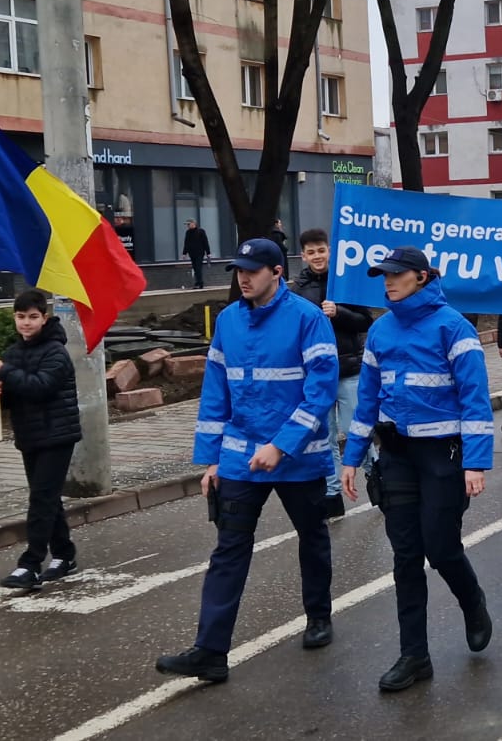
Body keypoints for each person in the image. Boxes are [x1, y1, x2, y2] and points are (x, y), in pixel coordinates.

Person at [156, 238, 339, 684]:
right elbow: (215, 392)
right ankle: (210, 651)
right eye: (239, 270)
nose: (243, 277)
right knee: (228, 550)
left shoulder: (308, 318)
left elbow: (321, 391)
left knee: (312, 537)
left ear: (277, 272)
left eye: (252, 270)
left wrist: (281, 445)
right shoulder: (228, 321)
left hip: (297, 459)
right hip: (240, 458)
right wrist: (212, 460)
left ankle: (318, 615)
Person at [340, 246, 494, 692]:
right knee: (406, 556)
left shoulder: (454, 327)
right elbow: (367, 400)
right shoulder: (380, 330)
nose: (388, 282)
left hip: (443, 455)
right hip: (396, 455)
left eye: (396, 274)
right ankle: (414, 656)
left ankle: (473, 601)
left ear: (422, 277)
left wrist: (476, 462)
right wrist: (352, 456)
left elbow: (475, 400)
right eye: (383, 276)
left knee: (441, 548)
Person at [0, 290, 81, 590]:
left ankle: (30, 565)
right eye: (20, 317)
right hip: (30, 436)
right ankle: (64, 554)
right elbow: (19, 393)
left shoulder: (56, 352)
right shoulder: (14, 353)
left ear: (44, 318)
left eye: (32, 317)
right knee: (47, 497)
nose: (26, 323)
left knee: (41, 498)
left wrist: (5, 371)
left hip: (57, 435)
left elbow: (41, 387)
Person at [291, 228, 375, 516]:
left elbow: (365, 321)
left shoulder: (345, 282)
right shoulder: (298, 290)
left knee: (357, 430)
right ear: (303, 256)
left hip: (349, 369)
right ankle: (332, 493)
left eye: (321, 250)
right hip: (317, 376)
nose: (317, 256)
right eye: (311, 252)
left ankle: (376, 478)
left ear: (330, 251)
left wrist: (339, 312)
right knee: (324, 437)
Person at [182, 219, 211, 289]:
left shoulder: (201, 231)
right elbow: (186, 243)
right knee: (195, 268)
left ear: (193, 223)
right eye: (187, 225)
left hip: (199, 253)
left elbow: (205, 242)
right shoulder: (188, 233)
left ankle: (199, 283)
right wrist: (184, 253)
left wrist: (208, 252)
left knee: (198, 268)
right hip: (192, 253)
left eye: (189, 224)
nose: (188, 226)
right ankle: (198, 282)